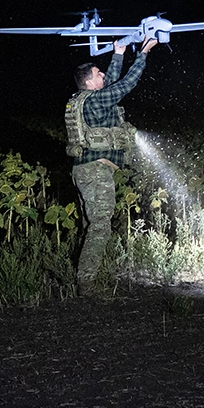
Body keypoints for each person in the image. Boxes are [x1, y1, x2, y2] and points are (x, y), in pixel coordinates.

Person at [66, 37, 158, 295]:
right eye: (98, 73)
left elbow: (113, 85)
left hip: (86, 169)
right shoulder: (94, 101)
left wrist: (118, 53)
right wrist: (143, 54)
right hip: (94, 171)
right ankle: (86, 284)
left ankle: (86, 275)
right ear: (89, 81)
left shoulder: (87, 99)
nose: (103, 74)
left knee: (92, 224)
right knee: (100, 225)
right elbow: (126, 85)